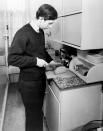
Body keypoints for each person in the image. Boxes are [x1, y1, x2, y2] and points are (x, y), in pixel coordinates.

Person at [8, 4, 58, 131]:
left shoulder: (40, 32)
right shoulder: (23, 33)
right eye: (50, 23)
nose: (50, 27)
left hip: (39, 80)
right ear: (41, 18)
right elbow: (12, 58)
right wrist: (35, 61)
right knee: (33, 117)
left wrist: (50, 61)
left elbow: (40, 51)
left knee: (37, 114)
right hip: (29, 84)